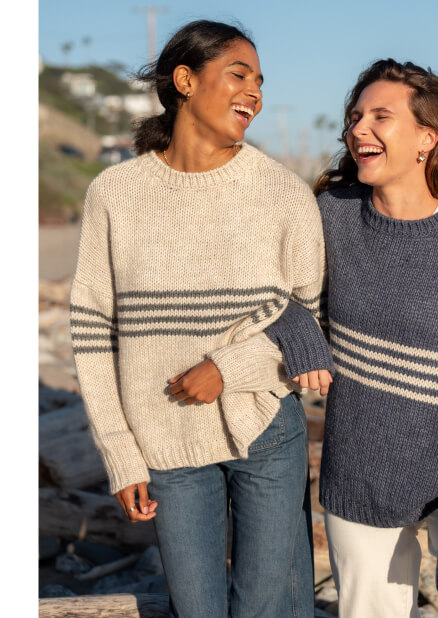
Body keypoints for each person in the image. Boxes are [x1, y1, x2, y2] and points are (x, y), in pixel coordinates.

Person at [69, 20, 334, 618]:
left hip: (264, 423)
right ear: (185, 80)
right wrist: (120, 452)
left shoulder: (282, 193)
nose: (255, 93)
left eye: (261, 81)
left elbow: (305, 318)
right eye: (239, 74)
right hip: (162, 434)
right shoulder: (115, 193)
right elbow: (91, 332)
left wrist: (228, 367)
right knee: (197, 609)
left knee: (270, 609)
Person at [265, 59, 438, 617]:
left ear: (426, 139)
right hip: (358, 481)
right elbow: (259, 283)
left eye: (380, 116)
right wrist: (298, 330)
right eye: (355, 116)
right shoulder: (329, 217)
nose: (358, 128)